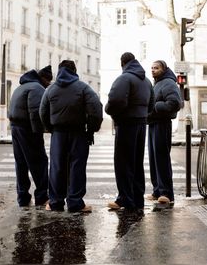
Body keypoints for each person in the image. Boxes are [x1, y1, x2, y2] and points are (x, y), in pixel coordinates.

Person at [39, 60, 103, 213]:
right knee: (77, 167)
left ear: (59, 70)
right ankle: (75, 203)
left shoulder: (51, 89)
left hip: (58, 134)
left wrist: (51, 129)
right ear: (74, 70)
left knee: (56, 168)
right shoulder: (83, 88)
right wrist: (91, 130)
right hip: (78, 132)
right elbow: (96, 110)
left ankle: (55, 202)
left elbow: (42, 112)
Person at [105, 52, 154, 213]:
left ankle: (125, 198)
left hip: (126, 123)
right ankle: (137, 198)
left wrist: (112, 113)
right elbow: (151, 105)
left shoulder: (124, 79)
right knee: (136, 162)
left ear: (122, 63)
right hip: (141, 124)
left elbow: (115, 101)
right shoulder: (146, 81)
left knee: (123, 163)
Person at [9, 65, 53, 207]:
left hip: (15, 127)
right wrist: (38, 132)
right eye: (48, 82)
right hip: (28, 129)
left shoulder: (21, 87)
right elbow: (35, 113)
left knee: (21, 163)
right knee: (39, 162)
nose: (48, 85)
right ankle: (41, 197)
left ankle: (23, 197)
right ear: (43, 79)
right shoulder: (37, 88)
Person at [147, 60, 182, 204]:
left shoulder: (168, 82)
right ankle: (157, 191)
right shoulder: (158, 82)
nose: (153, 70)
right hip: (153, 123)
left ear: (164, 69)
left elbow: (175, 103)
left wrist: (155, 107)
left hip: (162, 124)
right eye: (152, 68)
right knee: (154, 160)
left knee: (161, 159)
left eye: (156, 68)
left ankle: (167, 193)